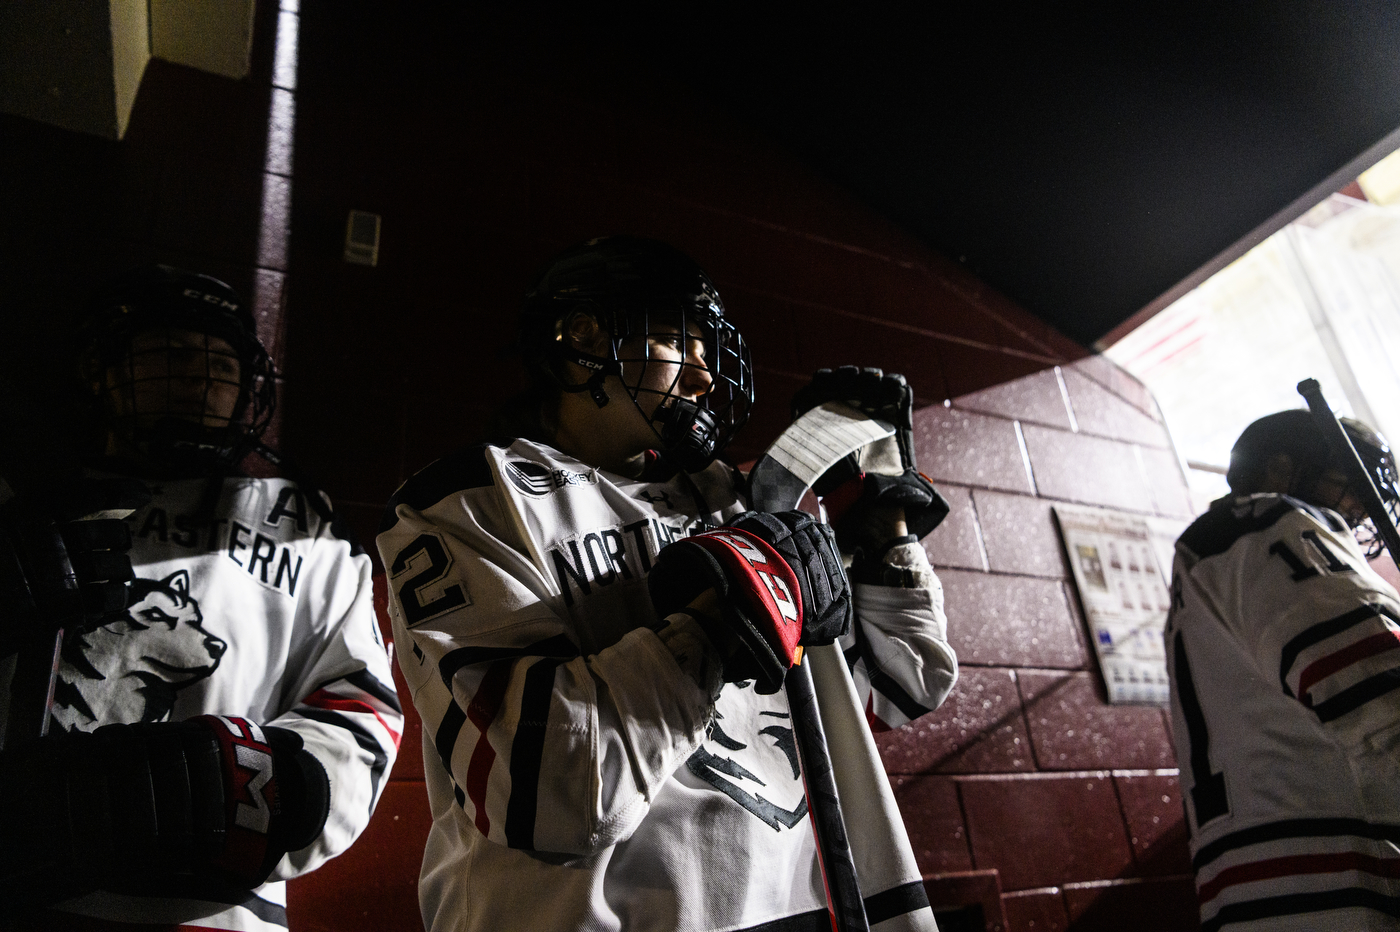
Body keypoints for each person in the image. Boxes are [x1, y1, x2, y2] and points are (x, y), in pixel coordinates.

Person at [377, 236, 957, 932]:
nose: (707, 379)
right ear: (586, 334)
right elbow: (544, 790)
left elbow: (906, 686)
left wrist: (883, 520)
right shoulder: (469, 504)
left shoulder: (745, 503)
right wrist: (720, 622)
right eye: (687, 344)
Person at [0, 266, 402, 931]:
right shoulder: (25, 504)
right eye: (172, 353)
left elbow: (361, 705)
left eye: (221, 363)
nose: (200, 379)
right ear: (103, 369)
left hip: (217, 909)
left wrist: (270, 792)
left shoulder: (304, 524)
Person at [1166, 408, 1400, 931]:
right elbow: (1379, 694)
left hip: (1274, 876)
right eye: (1348, 478)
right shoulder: (1265, 526)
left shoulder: (1213, 555)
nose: (1363, 504)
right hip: (1340, 875)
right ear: (1279, 471)